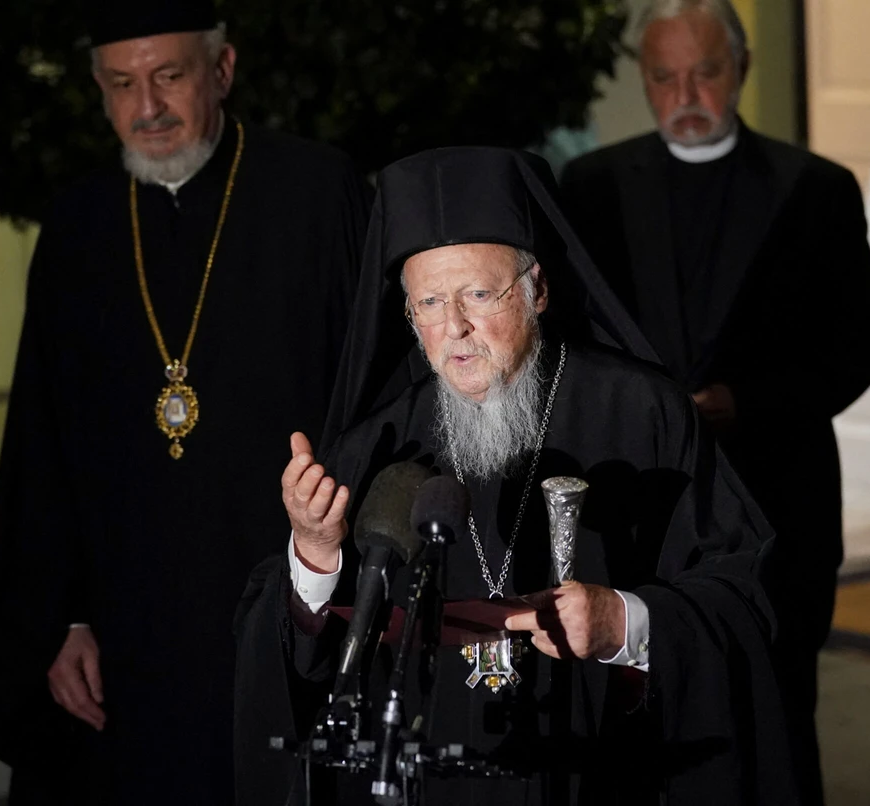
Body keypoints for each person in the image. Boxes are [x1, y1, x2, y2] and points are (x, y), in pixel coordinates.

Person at [233, 147, 799, 806]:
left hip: (607, 780)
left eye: (478, 293)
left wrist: (625, 624)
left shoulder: (643, 414)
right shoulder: (380, 446)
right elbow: (300, 673)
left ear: (538, 289)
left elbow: (746, 593)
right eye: (430, 304)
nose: (456, 329)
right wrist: (315, 553)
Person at [0, 2, 370, 803]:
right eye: (121, 84)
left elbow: (374, 406)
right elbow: (40, 447)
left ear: (221, 71)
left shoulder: (321, 197)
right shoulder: (78, 227)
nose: (145, 107)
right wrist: (64, 617)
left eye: (168, 76)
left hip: (287, 606)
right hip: (127, 629)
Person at [558, 3, 870, 804]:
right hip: (636, 505)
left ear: (738, 68)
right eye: (664, 77)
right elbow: (573, 343)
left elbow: (859, 346)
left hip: (782, 499)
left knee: (778, 709)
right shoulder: (590, 188)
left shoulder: (817, 189)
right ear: (644, 81)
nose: (687, 93)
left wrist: (748, 403)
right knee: (643, 717)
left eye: (704, 71)